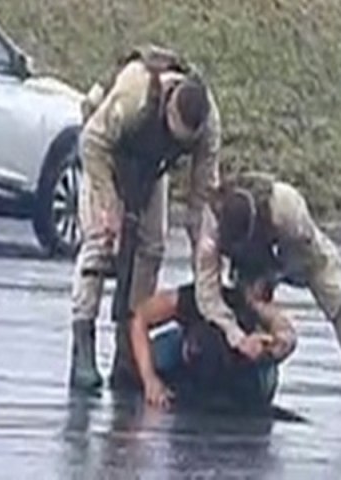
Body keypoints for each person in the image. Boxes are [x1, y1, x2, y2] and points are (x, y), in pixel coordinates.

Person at [194, 171, 341, 437]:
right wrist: (237, 335)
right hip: (252, 266)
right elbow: (206, 293)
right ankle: (245, 381)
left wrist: (269, 279)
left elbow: (304, 256)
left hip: (303, 255)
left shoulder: (286, 207)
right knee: (242, 308)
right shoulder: (212, 224)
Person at [70, 45, 221, 390]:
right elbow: (91, 142)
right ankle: (83, 347)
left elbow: (204, 198)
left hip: (151, 169)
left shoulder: (209, 122)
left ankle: (129, 350)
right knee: (100, 244)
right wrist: (110, 206)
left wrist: (205, 257)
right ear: (168, 106)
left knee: (152, 248)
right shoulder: (134, 95)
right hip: (105, 154)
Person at [130, 274, 297, 409]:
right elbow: (140, 318)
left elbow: (286, 333)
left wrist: (270, 346)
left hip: (244, 369)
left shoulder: (253, 311)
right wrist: (149, 379)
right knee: (158, 355)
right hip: (186, 348)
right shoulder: (192, 299)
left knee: (260, 382)